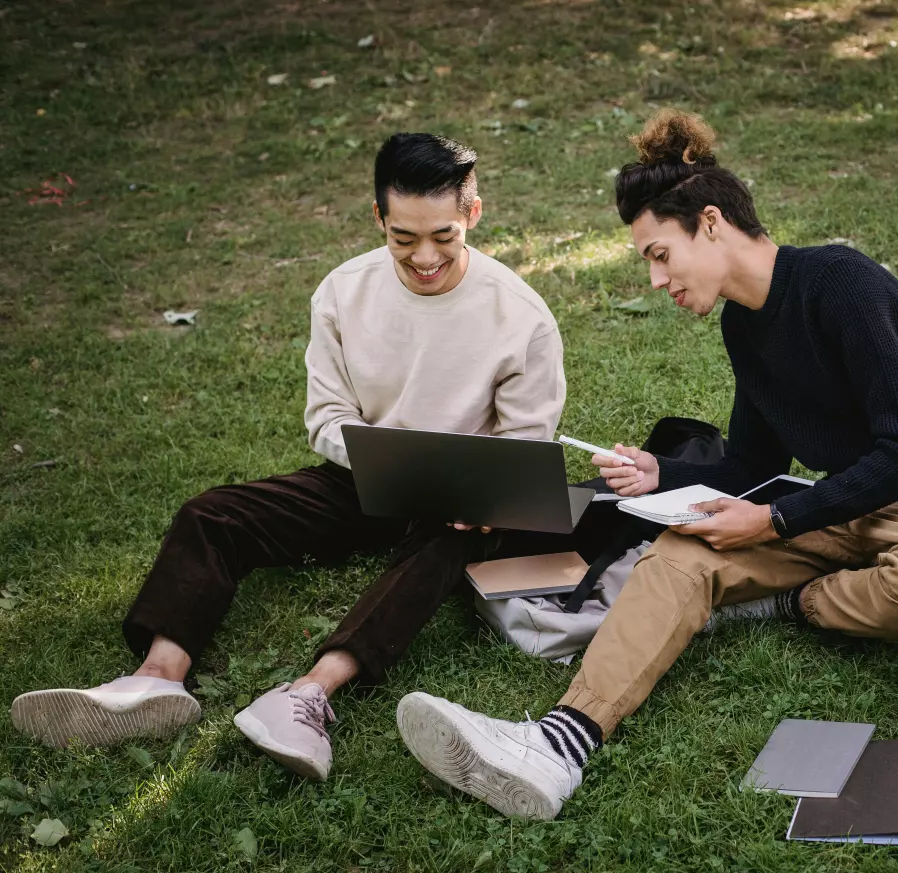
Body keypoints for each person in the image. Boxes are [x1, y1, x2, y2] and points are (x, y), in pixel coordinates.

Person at [394, 109, 898, 820]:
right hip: (840, 505)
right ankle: (557, 746)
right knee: (679, 555)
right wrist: (668, 475)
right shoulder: (744, 326)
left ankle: (784, 601)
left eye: (659, 254)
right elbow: (753, 460)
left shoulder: (841, 282)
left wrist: (778, 518)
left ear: (710, 223)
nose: (656, 280)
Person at [10, 132, 566, 781]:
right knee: (213, 514)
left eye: (443, 236)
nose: (424, 257)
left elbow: (526, 445)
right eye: (404, 238)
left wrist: (477, 493)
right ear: (378, 219)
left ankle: (310, 696)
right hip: (363, 477)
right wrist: (386, 461)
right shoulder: (342, 292)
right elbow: (327, 418)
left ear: (473, 213)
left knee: (439, 549)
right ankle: (157, 678)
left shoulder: (521, 316)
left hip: (458, 503)